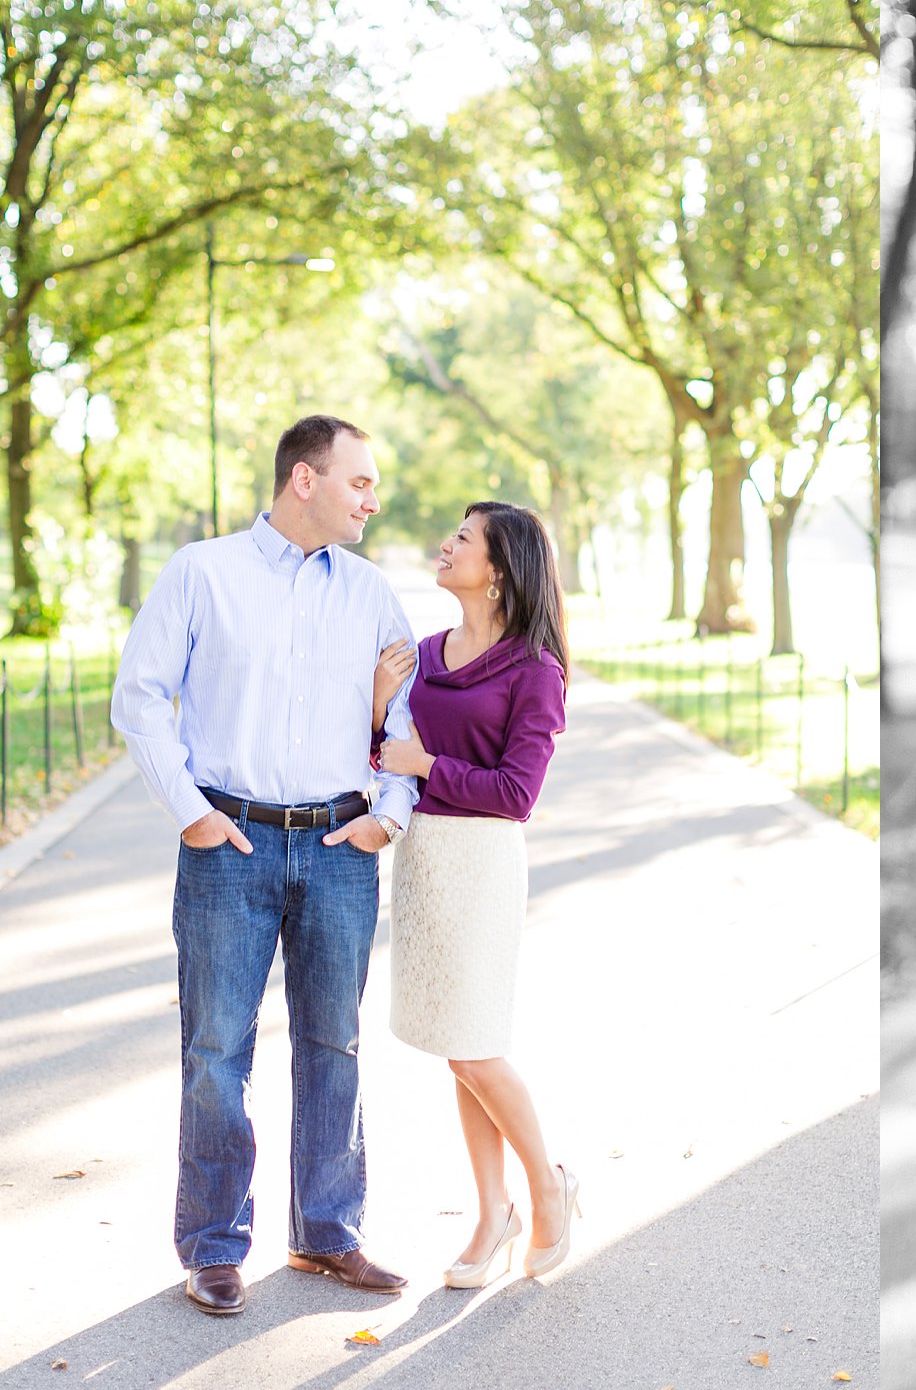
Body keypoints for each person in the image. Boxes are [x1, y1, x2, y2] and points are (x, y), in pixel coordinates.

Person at [112, 415, 418, 1317]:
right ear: (303, 480)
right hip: (229, 849)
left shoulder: (370, 593)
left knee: (335, 1044)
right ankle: (213, 1245)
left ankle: (326, 1232)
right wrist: (193, 814)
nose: (372, 497)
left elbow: (404, 722)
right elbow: (139, 698)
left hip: (337, 850)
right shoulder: (201, 573)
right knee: (216, 1053)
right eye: (359, 481)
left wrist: (386, 822)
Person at [370, 501, 578, 1289]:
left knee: (474, 1045)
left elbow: (517, 792)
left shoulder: (535, 671)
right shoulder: (423, 654)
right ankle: (493, 1215)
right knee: (459, 1051)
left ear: (497, 570)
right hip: (424, 860)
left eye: (463, 539)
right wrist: (377, 701)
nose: (446, 545)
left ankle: (548, 1189)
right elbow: (387, 752)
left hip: (483, 863)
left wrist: (425, 766)